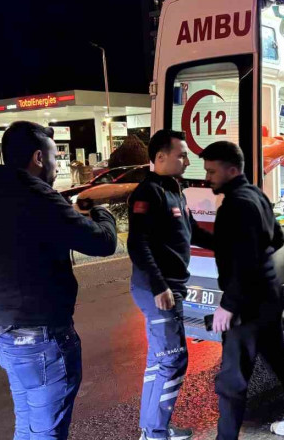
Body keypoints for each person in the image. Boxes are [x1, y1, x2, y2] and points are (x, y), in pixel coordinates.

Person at [0, 121, 118, 440]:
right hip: (41, 339)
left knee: (27, 428)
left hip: (5, 336)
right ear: (39, 158)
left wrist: (9, 286)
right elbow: (103, 242)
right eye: (56, 158)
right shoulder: (39, 197)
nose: (58, 167)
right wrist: (100, 209)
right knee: (45, 434)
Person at [197, 141, 284, 440]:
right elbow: (274, 239)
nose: (207, 177)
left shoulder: (237, 205)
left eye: (212, 171)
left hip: (246, 305)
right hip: (268, 296)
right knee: (281, 361)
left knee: (232, 381)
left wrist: (228, 305)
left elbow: (245, 259)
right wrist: (194, 233)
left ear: (232, 170)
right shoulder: (256, 196)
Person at [127, 129, 201, 440]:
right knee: (172, 358)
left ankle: (152, 428)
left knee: (161, 359)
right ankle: (155, 432)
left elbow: (193, 232)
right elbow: (137, 243)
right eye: (181, 154)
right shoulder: (149, 193)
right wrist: (159, 287)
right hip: (157, 288)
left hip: (171, 285)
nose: (187, 159)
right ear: (160, 158)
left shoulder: (175, 190)